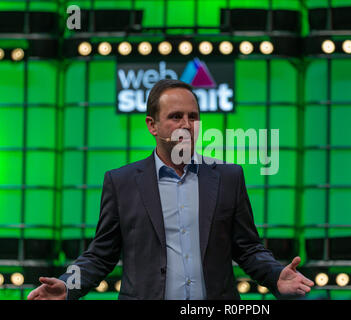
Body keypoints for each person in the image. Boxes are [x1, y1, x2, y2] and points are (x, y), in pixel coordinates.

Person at [27, 79, 314, 300]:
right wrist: (68, 284)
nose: (187, 125)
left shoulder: (229, 177)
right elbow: (101, 255)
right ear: (152, 125)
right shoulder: (121, 181)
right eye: (176, 117)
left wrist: (277, 275)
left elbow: (248, 248)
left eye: (193, 116)